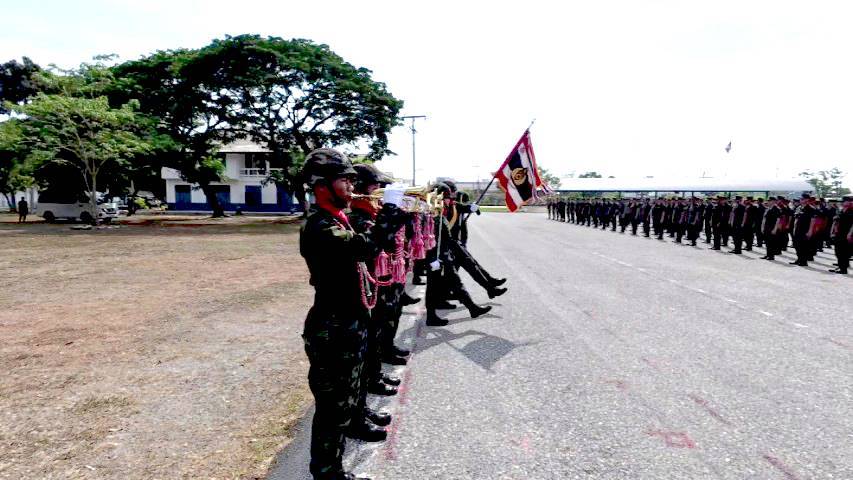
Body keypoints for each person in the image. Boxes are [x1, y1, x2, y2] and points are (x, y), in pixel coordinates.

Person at [299, 148, 407, 480]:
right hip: (333, 327)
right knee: (333, 408)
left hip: (349, 322)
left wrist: (393, 218)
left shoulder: (336, 218)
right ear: (322, 185)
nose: (351, 186)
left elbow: (370, 248)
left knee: (350, 391)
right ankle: (327, 471)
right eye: (344, 180)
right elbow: (364, 247)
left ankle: (352, 431)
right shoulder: (320, 227)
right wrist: (388, 214)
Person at [828, 195, 852, 274]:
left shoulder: (851, 211)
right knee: (838, 251)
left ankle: (843, 269)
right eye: (842, 201)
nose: (842, 203)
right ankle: (841, 266)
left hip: (846, 233)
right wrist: (833, 231)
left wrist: (850, 233)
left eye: (844, 201)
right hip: (839, 233)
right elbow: (836, 222)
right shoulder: (841, 210)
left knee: (843, 252)